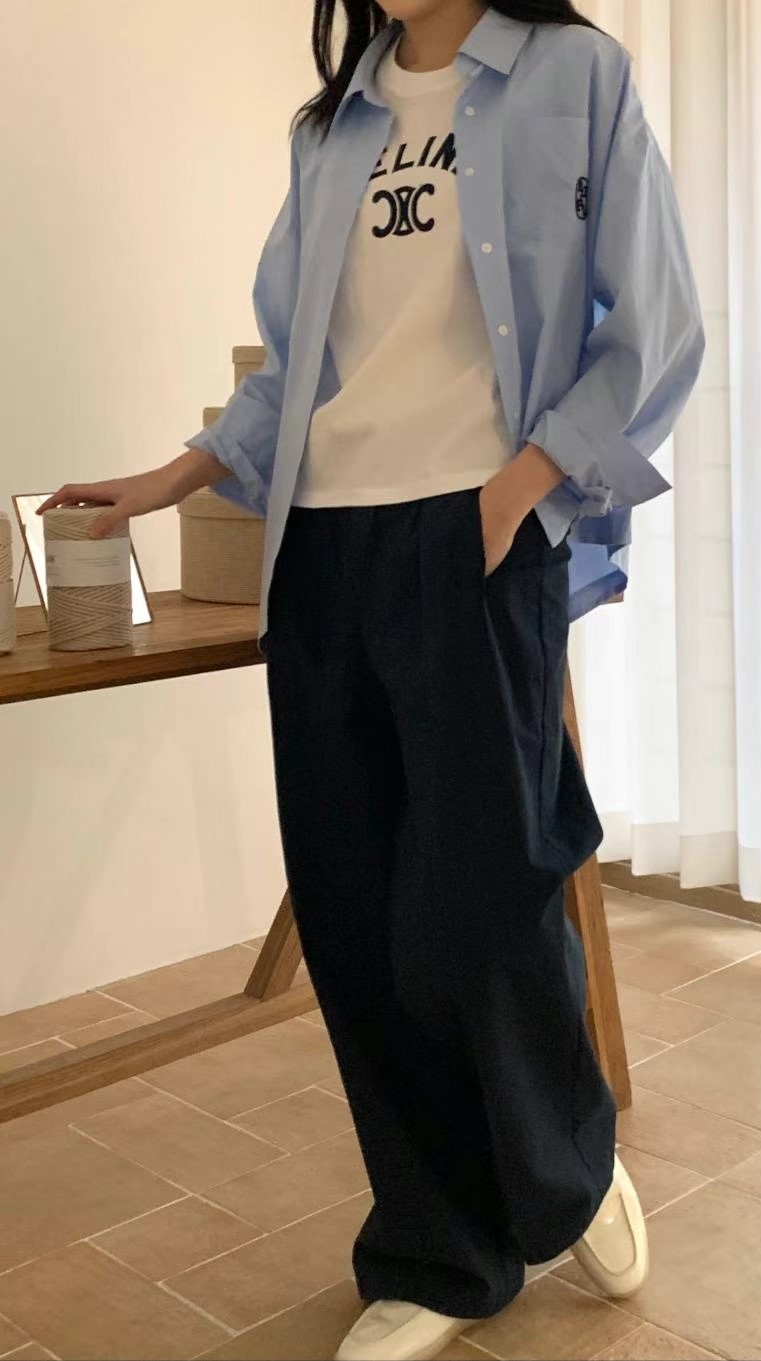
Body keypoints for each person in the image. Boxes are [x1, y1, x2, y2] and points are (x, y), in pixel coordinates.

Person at [39, 1, 703, 1356]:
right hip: (324, 547)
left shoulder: (576, 77)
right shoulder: (333, 124)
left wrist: (519, 487)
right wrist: (172, 476)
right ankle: (439, 1249)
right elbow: (300, 370)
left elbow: (655, 328)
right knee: (354, 912)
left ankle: (564, 1167)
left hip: (475, 533)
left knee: (485, 898)